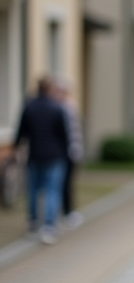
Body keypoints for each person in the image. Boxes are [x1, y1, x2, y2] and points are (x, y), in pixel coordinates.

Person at [15, 76, 71, 244]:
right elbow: (64, 135)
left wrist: (17, 148)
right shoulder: (57, 108)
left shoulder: (29, 107)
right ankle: (48, 226)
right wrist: (66, 153)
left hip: (35, 155)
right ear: (49, 89)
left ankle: (33, 223)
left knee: (32, 190)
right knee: (52, 190)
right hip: (54, 156)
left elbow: (21, 131)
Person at [54, 78, 85, 229]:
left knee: (67, 183)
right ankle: (65, 212)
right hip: (65, 151)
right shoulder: (61, 107)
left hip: (71, 150)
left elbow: (75, 132)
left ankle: (66, 211)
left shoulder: (69, 106)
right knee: (63, 183)